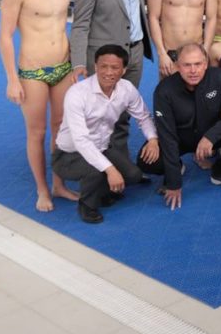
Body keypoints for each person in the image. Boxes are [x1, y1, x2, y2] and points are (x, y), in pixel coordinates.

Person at [0, 0, 79, 212]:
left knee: (61, 128)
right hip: (32, 72)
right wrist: (11, 79)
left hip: (63, 67)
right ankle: (42, 190)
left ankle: (59, 184)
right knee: (37, 132)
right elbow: (5, 37)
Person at [52, 44, 159, 224]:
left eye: (115, 67)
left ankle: (102, 190)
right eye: (103, 66)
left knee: (133, 175)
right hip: (68, 155)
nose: (108, 72)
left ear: (124, 70)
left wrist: (153, 140)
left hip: (101, 148)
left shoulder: (127, 89)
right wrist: (110, 169)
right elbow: (81, 140)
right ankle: (87, 205)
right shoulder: (77, 93)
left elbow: (144, 117)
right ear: (95, 66)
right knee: (96, 170)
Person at [138, 44, 221, 209]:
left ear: (205, 64)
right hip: (179, 140)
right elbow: (167, 137)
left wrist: (211, 137)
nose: (193, 70)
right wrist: (174, 181)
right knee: (146, 161)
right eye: (187, 65)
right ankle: (177, 166)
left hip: (210, 135)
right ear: (178, 66)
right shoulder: (163, 91)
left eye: (198, 64)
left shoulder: (218, 78)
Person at [70, 0, 152, 149]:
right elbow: (80, 25)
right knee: (101, 114)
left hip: (134, 54)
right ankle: (97, 167)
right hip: (107, 59)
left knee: (124, 109)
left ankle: (119, 160)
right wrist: (77, 62)